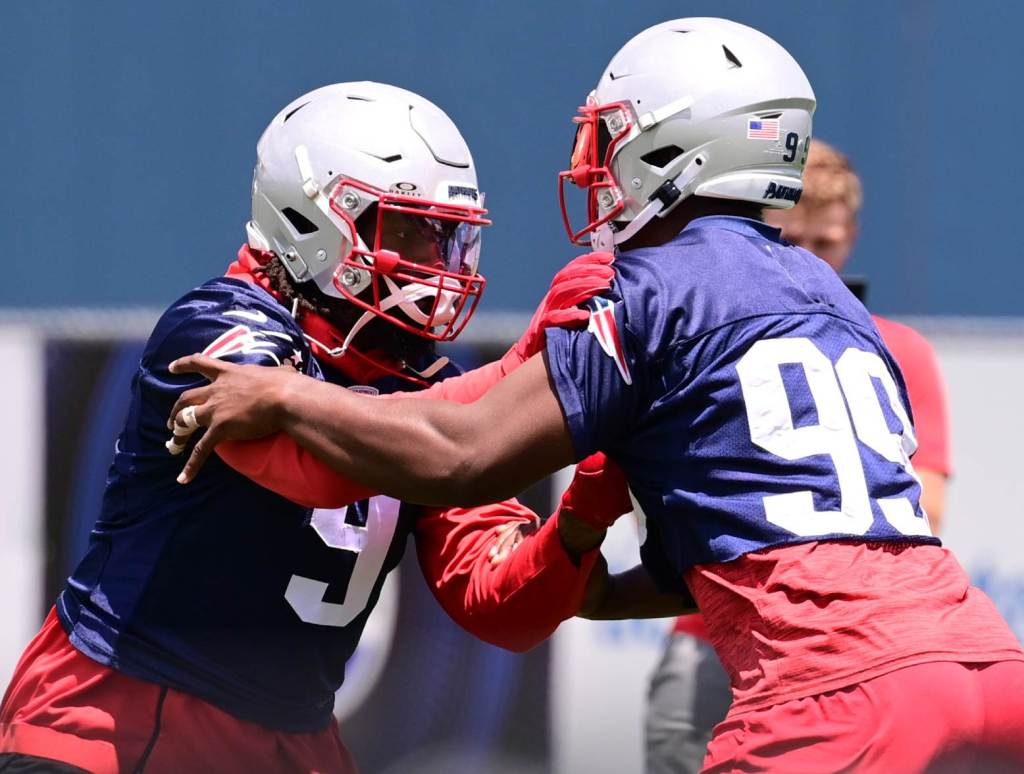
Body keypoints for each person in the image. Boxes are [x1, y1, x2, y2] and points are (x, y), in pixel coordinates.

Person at [166, 19, 1024, 771]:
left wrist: (285, 397)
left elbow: (460, 454)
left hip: (836, 695)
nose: (594, 162)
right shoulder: (827, 294)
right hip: (986, 667)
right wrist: (607, 584)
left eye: (612, 136)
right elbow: (810, 526)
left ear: (675, 146)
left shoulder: (645, 286)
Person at [0, 82, 645, 774]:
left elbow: (503, 606)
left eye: (446, 238)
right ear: (310, 223)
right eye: (405, 232)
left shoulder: (425, 390)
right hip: (118, 719)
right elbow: (319, 468)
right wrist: (528, 367)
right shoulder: (218, 327)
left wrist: (592, 497)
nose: (435, 267)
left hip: (292, 740)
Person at [645, 138, 955, 774]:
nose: (817, 260)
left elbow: (926, 515)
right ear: (763, 228)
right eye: (798, 241)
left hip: (840, 653)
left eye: (829, 244)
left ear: (853, 236)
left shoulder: (900, 348)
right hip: (710, 636)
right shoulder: (702, 331)